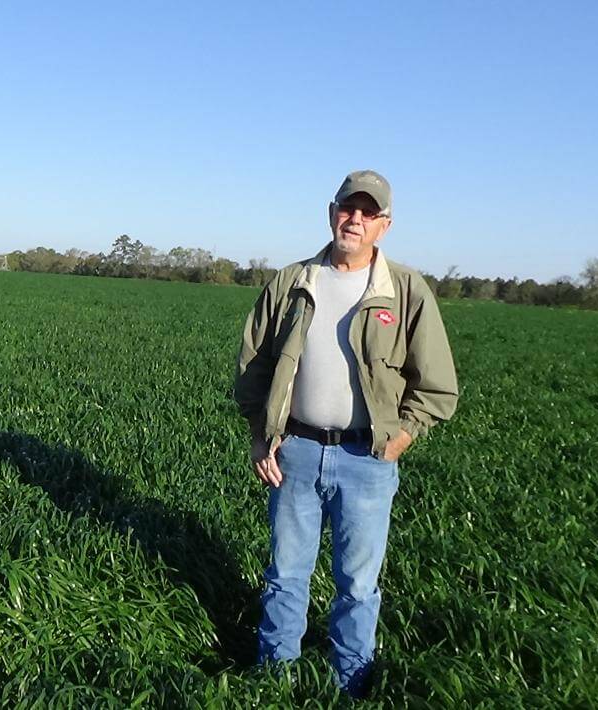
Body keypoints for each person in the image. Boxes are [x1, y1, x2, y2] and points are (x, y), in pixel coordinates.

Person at [233, 170, 459, 697]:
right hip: (295, 452)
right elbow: (253, 366)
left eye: (368, 212)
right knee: (286, 574)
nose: (355, 219)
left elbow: (437, 386)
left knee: (358, 584)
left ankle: (351, 683)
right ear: (331, 212)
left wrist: (404, 434)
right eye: (347, 208)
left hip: (367, 461)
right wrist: (261, 435)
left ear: (384, 225)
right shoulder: (293, 283)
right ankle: (274, 680)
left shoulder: (406, 291)